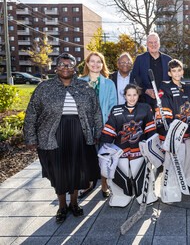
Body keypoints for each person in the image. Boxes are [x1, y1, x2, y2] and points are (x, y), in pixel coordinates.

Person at [23, 53, 103, 224]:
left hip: (79, 133)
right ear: (56, 67)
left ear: (75, 68)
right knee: (58, 171)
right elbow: (32, 113)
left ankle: (74, 203)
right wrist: (30, 137)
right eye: (62, 64)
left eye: (69, 65)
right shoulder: (44, 88)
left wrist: (97, 133)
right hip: (52, 134)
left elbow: (96, 112)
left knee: (76, 169)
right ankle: (62, 206)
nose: (65, 68)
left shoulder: (85, 87)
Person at [100, 84, 158, 207]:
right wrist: (106, 147)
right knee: (121, 174)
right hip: (121, 150)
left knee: (140, 173)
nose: (132, 98)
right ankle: (121, 196)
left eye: (134, 95)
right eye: (129, 95)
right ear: (125, 96)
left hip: (140, 149)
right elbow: (109, 129)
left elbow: (150, 129)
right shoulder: (116, 110)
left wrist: (150, 146)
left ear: (138, 95)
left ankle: (145, 195)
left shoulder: (145, 108)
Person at [156, 59, 190, 202]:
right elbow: (164, 114)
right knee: (173, 162)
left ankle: (188, 177)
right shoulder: (164, 89)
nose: (177, 73)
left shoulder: (189, 89)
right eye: (174, 71)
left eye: (179, 70)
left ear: (183, 71)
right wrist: (174, 130)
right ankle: (170, 186)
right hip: (176, 133)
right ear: (169, 73)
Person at [79, 51, 118, 198]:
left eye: (98, 61)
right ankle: (88, 183)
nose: (95, 64)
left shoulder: (108, 83)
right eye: (92, 61)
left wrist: (107, 124)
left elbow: (114, 106)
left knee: (104, 156)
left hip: (104, 125)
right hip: (84, 126)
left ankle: (104, 185)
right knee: (87, 156)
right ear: (87, 64)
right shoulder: (79, 82)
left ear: (102, 65)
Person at [129, 33, 172, 109]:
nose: (153, 45)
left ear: (159, 43)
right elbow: (133, 80)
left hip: (166, 102)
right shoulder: (140, 59)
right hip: (145, 102)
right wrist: (145, 90)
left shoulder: (168, 60)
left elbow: (173, 80)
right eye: (150, 42)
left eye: (155, 42)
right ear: (147, 44)